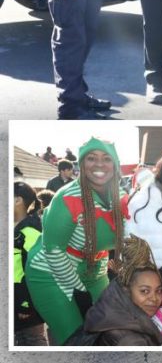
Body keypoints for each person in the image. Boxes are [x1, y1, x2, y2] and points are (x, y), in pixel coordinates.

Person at [25, 138, 126, 345]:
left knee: (112, 329)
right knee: (75, 338)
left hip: (95, 271)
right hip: (51, 274)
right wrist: (79, 292)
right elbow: (53, 249)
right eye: (91, 158)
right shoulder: (67, 196)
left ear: (115, 165)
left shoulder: (121, 196)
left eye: (106, 158)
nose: (99, 164)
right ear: (81, 164)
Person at [79, 235, 162, 346]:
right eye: (144, 291)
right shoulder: (129, 340)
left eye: (158, 291)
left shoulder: (111, 307)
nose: (154, 298)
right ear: (126, 290)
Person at [14, 182, 46, 346]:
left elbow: (38, 270)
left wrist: (26, 304)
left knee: (33, 341)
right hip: (14, 299)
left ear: (18, 200)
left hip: (26, 302)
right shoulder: (14, 228)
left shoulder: (30, 231)